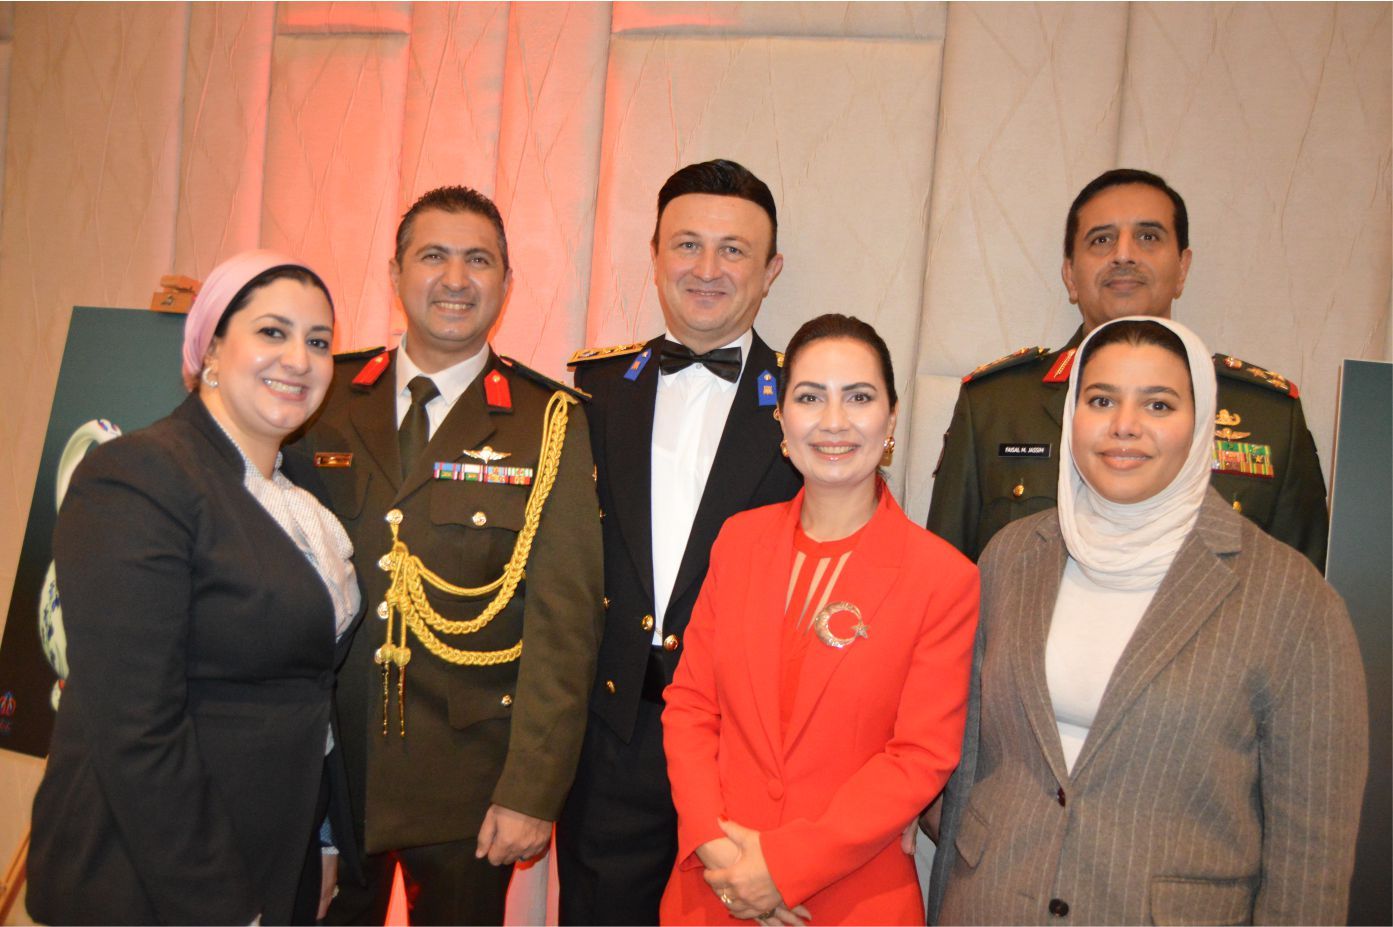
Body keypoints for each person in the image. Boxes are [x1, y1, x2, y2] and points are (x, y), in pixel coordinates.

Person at [929, 317, 1367, 925]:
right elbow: (969, 765)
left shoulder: (1293, 602)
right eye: (1101, 399)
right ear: (1072, 415)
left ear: (1201, 423)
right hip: (990, 905)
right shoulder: (1011, 557)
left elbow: (1311, 862)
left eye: (1158, 404)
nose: (1125, 425)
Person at [289, 186, 603, 926]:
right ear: (395, 273)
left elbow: (564, 626)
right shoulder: (321, 396)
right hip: (328, 773)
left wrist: (531, 790)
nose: (455, 280)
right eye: (433, 256)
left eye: (478, 260)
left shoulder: (548, 421)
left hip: (470, 784)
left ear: (507, 282)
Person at [27, 251, 361, 924]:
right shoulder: (137, 475)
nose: (299, 359)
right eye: (272, 332)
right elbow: (136, 725)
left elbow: (310, 686)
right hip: (154, 874)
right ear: (210, 347)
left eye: (318, 341)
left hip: (278, 851)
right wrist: (222, 906)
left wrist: (323, 836)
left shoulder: (305, 490)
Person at [661, 314, 979, 925]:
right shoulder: (737, 542)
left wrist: (782, 868)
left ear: (891, 418)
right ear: (782, 419)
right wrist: (718, 850)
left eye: (858, 397)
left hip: (849, 896)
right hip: (715, 885)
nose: (834, 421)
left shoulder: (943, 579)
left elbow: (918, 757)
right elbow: (691, 706)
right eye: (810, 398)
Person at [557, 159, 802, 925]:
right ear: (655, 255)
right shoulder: (588, 392)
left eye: (733, 250)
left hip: (747, 748)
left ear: (770, 270)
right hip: (611, 737)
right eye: (686, 244)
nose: (706, 268)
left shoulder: (809, 406)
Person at [927, 169, 1329, 570]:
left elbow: (1301, 588)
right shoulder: (995, 408)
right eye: (1101, 240)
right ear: (1070, 275)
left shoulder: (1269, 418)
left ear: (1182, 268)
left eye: (1148, 237)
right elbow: (945, 580)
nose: (1124, 254)